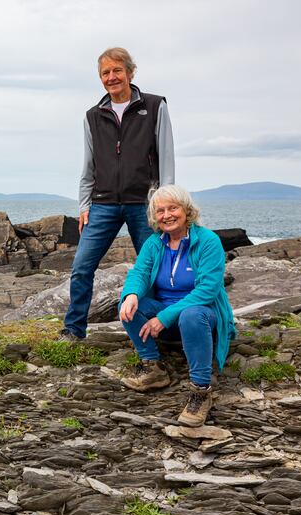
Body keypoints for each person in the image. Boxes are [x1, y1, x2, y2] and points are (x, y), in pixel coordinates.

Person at [62, 47, 175, 340]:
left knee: (153, 269)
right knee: (82, 267)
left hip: (145, 205)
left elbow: (166, 158)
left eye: (117, 71)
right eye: (105, 73)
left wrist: (164, 204)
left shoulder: (154, 106)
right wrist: (84, 204)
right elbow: (88, 165)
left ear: (130, 72)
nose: (111, 78)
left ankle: (157, 327)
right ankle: (74, 329)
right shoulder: (93, 116)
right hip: (102, 204)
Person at [118, 185, 235, 427]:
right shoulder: (154, 243)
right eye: (160, 211)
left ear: (187, 210)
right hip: (166, 315)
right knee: (129, 304)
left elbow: (207, 290)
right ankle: (153, 368)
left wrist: (165, 317)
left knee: (191, 315)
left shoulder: (208, 241)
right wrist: (131, 294)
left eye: (173, 208)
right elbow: (139, 273)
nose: (167, 215)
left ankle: (201, 392)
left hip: (203, 317)